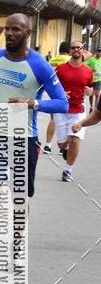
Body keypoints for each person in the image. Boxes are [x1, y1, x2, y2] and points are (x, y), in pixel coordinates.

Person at [0, 13, 68, 278]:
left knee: (19, 197)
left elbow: (62, 103)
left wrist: (32, 103)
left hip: (24, 138)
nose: (9, 33)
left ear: (28, 33)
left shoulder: (40, 66)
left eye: (16, 29)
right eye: (7, 29)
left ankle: (16, 250)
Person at [54, 41, 94, 181]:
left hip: (78, 110)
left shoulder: (88, 71)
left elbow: (90, 87)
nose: (76, 49)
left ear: (82, 50)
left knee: (75, 140)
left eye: (79, 47)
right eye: (73, 48)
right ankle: (64, 148)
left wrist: (91, 91)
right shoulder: (60, 69)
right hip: (62, 109)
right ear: (70, 51)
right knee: (61, 143)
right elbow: (52, 86)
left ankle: (67, 170)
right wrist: (60, 93)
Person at [42, 40, 71, 153]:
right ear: (69, 50)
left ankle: (48, 145)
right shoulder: (70, 60)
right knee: (67, 120)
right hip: (67, 93)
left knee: (53, 120)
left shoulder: (52, 60)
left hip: (54, 92)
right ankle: (64, 147)